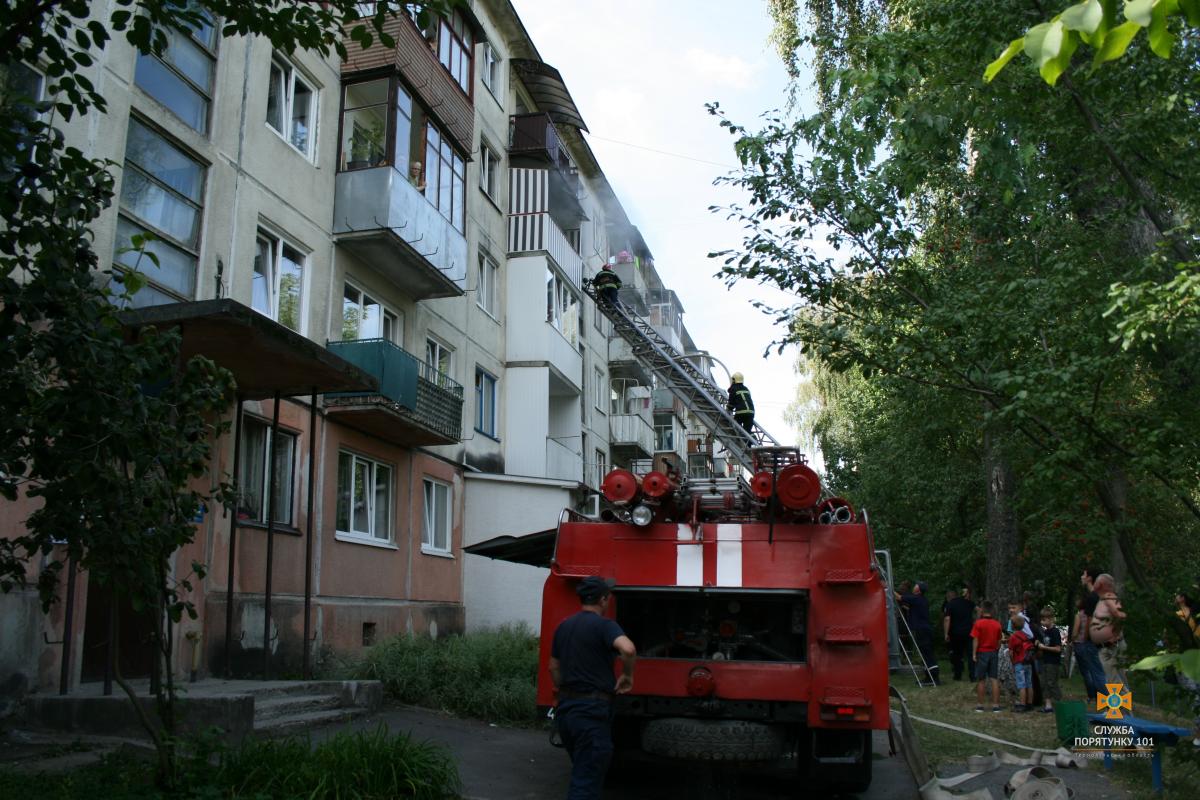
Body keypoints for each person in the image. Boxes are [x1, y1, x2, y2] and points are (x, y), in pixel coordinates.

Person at [549, 576, 637, 800]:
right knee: (585, 784)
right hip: (592, 715)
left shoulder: (564, 626)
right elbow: (627, 649)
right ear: (604, 600)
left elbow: (553, 667)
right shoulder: (605, 626)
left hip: (567, 714)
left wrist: (566, 690)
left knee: (582, 770)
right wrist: (627, 675)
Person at [1073, 567, 1107, 700]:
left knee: (1098, 674)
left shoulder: (1092, 597)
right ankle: (1118, 708)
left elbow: (1089, 620)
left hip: (1094, 641)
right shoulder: (1102, 596)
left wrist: (1087, 638)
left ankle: (1111, 708)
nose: (1082, 577)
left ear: (1089, 578)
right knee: (1108, 674)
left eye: (1083, 574)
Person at [897, 581, 940, 684]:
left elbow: (899, 597)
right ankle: (929, 677)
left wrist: (888, 587)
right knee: (926, 653)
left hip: (922, 630)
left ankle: (933, 678)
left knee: (926, 653)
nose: (914, 586)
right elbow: (912, 608)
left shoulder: (916, 598)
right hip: (925, 629)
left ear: (918, 590)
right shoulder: (921, 600)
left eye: (916, 585)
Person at [1090, 573, 1127, 685]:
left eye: (1095, 581)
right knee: (1112, 680)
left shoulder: (1109, 597)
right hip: (1106, 647)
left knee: (1114, 681)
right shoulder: (1103, 599)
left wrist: (1114, 635)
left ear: (1100, 584)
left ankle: (1126, 703)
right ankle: (1120, 702)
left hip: (1111, 647)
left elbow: (1121, 616)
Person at [971, 600, 1003, 712]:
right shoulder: (997, 624)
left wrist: (974, 653)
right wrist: (996, 648)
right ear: (992, 610)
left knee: (981, 680)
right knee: (994, 679)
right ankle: (996, 705)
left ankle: (980, 705)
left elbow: (975, 639)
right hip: (993, 652)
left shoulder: (978, 623)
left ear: (982, 610)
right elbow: (999, 640)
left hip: (982, 653)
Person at [944, 586, 977, 681]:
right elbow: (979, 609)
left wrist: (946, 633)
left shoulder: (950, 604)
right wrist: (976, 621)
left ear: (949, 597)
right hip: (969, 632)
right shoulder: (968, 603)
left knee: (957, 654)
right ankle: (973, 675)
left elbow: (947, 619)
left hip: (955, 633)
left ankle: (957, 675)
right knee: (971, 654)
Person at [1035, 606, 1063, 713]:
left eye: (1044, 619)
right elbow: (1043, 643)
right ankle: (1048, 705)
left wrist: (1044, 647)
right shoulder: (1045, 632)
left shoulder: (1055, 632)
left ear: (1051, 619)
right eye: (1042, 619)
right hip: (1045, 661)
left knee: (1051, 682)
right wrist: (1038, 643)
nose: (1042, 622)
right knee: (1044, 683)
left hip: (1053, 662)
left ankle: (1059, 702)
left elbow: (1058, 648)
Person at [1008, 609, 1035, 712]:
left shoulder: (1013, 637)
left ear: (1013, 626)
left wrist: (1012, 662)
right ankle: (1029, 703)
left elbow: (1011, 652)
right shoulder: (1025, 636)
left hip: (1019, 662)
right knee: (1029, 683)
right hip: (1028, 661)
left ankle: (1022, 705)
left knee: (1021, 684)